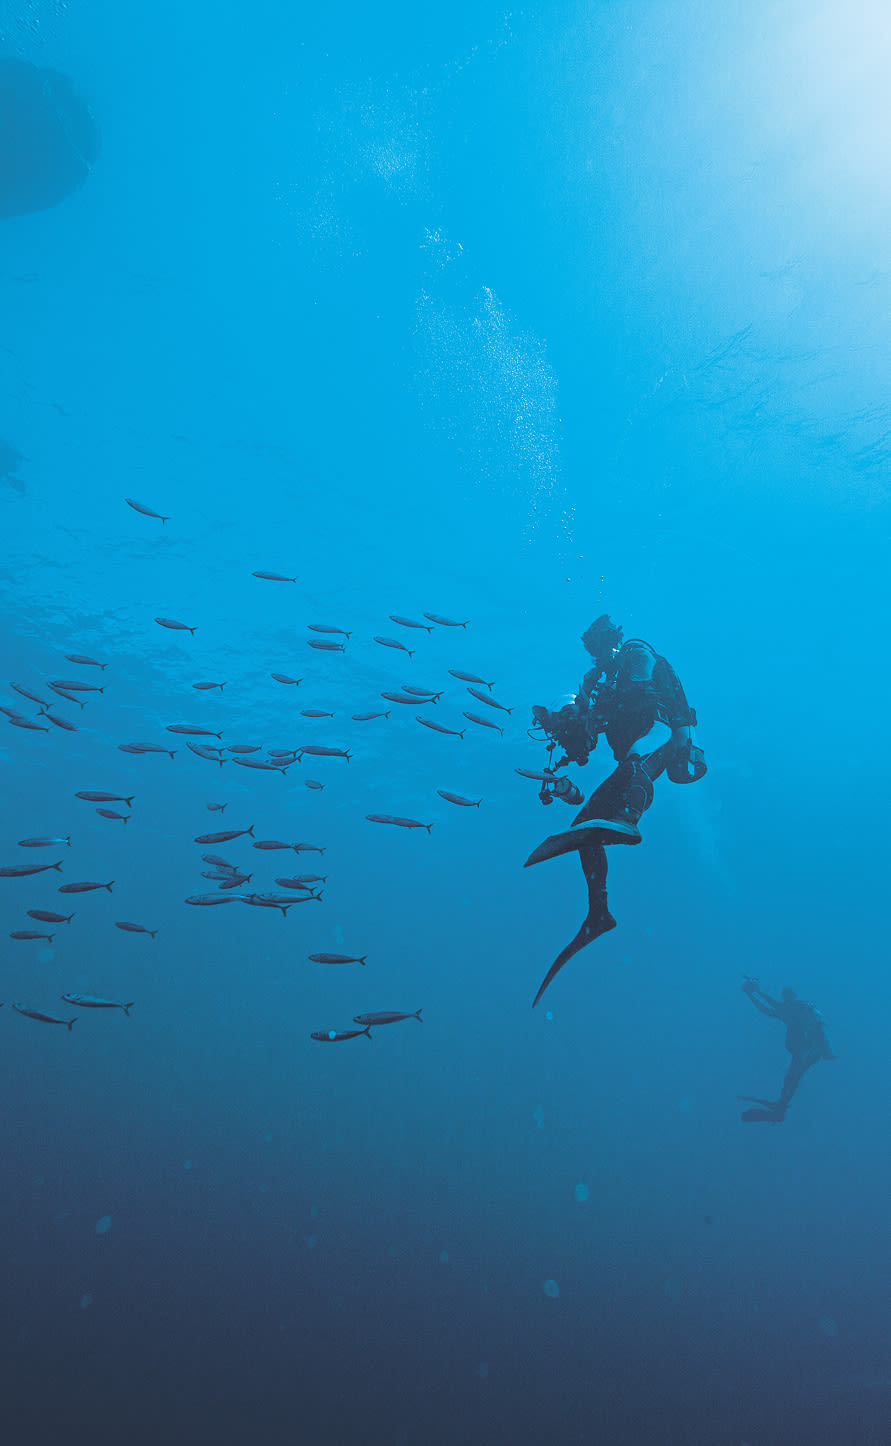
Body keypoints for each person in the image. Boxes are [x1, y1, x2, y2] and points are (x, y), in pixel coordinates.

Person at [526, 615, 705, 1007]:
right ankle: (598, 914)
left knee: (635, 760)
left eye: (604, 645)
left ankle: (629, 821)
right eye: (592, 648)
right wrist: (570, 726)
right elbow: (586, 747)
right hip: (630, 762)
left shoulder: (636, 656)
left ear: (614, 641)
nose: (599, 654)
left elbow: (644, 696)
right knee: (582, 826)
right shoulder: (595, 682)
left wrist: (605, 697)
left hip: (664, 735)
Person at [739, 979, 836, 1123]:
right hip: (804, 1051)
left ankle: (781, 1108)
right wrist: (754, 993)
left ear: (791, 996)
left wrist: (753, 993)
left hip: (807, 1051)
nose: (785, 999)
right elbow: (772, 1007)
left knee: (793, 1076)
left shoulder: (798, 1009)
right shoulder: (793, 1009)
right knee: (792, 1077)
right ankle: (781, 1105)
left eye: (787, 996)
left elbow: (772, 1008)